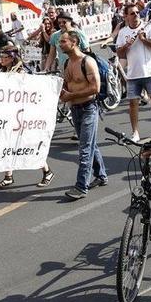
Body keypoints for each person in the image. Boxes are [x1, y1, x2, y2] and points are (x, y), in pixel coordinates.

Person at [0, 46, 54, 190]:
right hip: (9, 115)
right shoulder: (3, 71)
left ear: (12, 58)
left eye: (4, 57)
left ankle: (47, 171)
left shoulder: (21, 72)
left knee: (29, 145)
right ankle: (8, 176)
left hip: (22, 116)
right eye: (0, 56)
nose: (1, 59)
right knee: (7, 146)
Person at [61, 31, 107, 200]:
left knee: (85, 149)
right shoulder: (67, 63)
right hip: (76, 109)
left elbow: (95, 88)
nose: (60, 44)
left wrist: (70, 96)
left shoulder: (88, 62)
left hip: (89, 108)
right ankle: (101, 175)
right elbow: (66, 85)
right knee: (89, 144)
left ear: (74, 42)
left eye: (64, 41)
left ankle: (81, 186)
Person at [116, 4, 151, 142]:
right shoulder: (123, 32)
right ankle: (135, 132)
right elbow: (119, 52)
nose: (136, 15)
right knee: (133, 103)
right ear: (126, 16)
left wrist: (143, 39)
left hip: (149, 71)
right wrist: (127, 45)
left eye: (138, 12)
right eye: (132, 13)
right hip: (133, 74)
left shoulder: (148, 27)